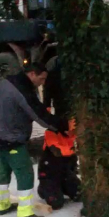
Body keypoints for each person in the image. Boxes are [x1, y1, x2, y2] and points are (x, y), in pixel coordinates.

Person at [0, 63, 68, 217]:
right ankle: (25, 213)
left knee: (2, 171)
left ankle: (2, 205)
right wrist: (62, 127)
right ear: (32, 74)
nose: (42, 82)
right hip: (13, 139)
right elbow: (39, 114)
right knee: (25, 174)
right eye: (42, 78)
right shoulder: (22, 90)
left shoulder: (6, 82)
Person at [37, 57, 81, 209]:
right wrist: (47, 109)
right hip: (51, 170)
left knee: (79, 194)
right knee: (56, 203)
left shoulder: (73, 131)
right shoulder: (53, 134)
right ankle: (46, 188)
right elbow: (47, 99)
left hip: (64, 169)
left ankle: (64, 184)